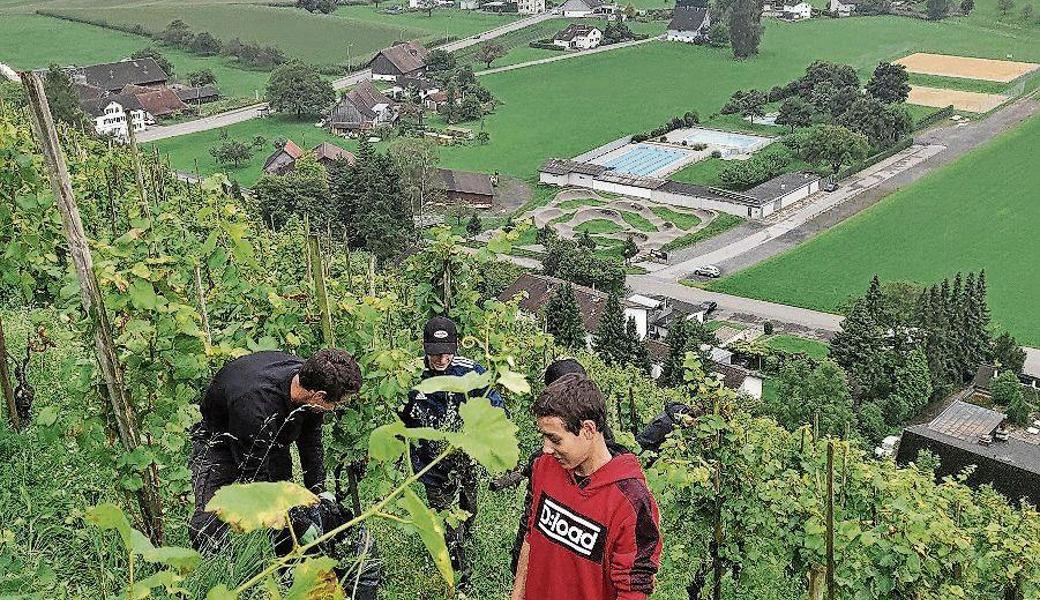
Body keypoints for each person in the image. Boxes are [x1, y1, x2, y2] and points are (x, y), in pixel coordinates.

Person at [188, 348, 361, 550]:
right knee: (209, 519)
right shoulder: (255, 406)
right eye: (337, 403)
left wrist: (317, 492)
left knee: (289, 506)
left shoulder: (313, 380)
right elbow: (255, 482)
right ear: (320, 396)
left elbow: (311, 442)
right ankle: (221, 571)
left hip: (272, 440)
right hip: (219, 443)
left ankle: (289, 565)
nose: (335, 408)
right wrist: (297, 525)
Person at [512, 373, 662, 600]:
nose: (546, 449)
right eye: (544, 437)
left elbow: (633, 590)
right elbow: (530, 537)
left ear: (588, 430)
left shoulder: (630, 501)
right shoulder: (544, 467)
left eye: (555, 439)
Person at [398, 315, 505, 584]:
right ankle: (454, 563)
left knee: (469, 508)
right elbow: (401, 417)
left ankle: (465, 537)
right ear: (425, 349)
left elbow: (495, 407)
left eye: (447, 354)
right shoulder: (410, 376)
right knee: (445, 515)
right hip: (430, 459)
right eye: (435, 354)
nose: (441, 360)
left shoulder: (472, 371)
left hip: (465, 457)